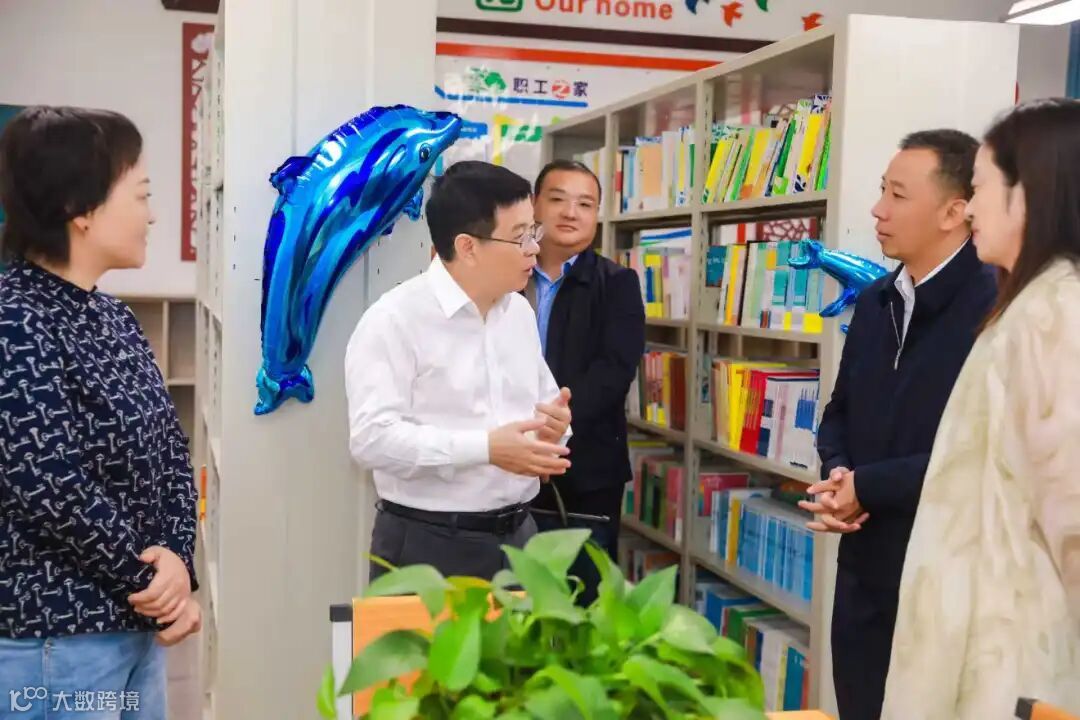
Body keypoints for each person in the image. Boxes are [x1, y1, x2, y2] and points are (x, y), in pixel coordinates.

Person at [881, 98, 1080, 720]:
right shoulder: (1026, 306)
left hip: (1017, 667)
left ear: (1032, 194)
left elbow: (1073, 516)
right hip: (981, 647)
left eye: (984, 187)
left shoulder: (1057, 315)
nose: (971, 208)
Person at [0, 107, 201, 719]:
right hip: (56, 640)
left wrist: (179, 560)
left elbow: (170, 453)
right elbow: (44, 482)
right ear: (79, 209)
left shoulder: (113, 317)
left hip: (132, 628)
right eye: (141, 195)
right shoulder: (15, 318)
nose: (153, 215)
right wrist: (153, 586)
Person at [800, 129, 997, 720]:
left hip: (943, 573)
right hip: (863, 564)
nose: (877, 210)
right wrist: (840, 474)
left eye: (897, 195)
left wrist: (868, 486)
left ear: (954, 212)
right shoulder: (879, 299)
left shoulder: (993, 305)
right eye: (881, 190)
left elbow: (981, 451)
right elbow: (839, 411)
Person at [346, 160, 573, 582]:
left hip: (521, 536)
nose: (534, 249)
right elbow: (372, 440)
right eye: (520, 237)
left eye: (534, 232)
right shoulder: (395, 319)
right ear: (467, 247)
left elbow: (539, 411)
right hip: (429, 544)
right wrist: (485, 448)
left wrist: (554, 430)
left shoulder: (519, 313)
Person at [526, 160, 645, 605]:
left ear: (597, 214)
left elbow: (614, 371)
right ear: (534, 205)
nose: (570, 212)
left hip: (586, 471)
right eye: (557, 199)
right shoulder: (507, 277)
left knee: (583, 601)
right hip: (504, 461)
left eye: (585, 203)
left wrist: (553, 428)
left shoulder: (618, 283)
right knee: (511, 598)